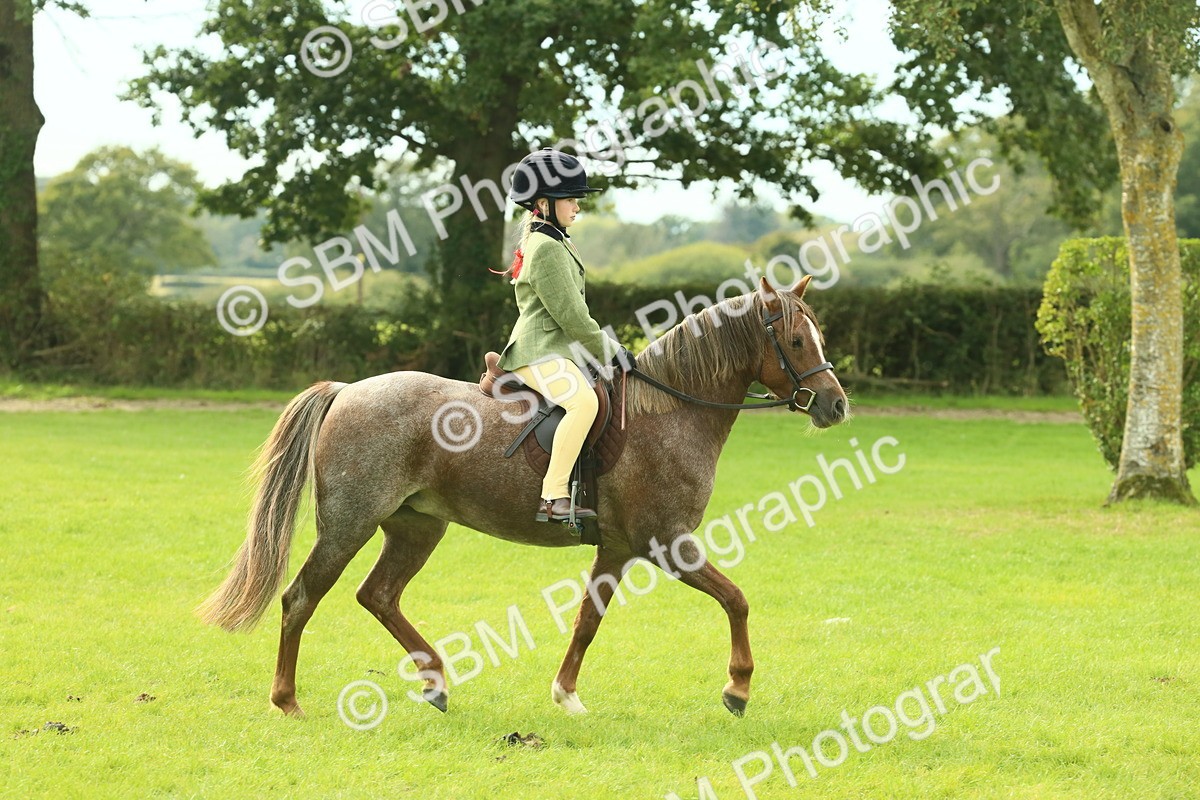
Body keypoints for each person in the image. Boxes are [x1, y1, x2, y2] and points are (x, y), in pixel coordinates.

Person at [496, 148, 631, 523]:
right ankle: (553, 496)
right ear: (543, 203)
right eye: (570, 199)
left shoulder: (554, 241)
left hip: (557, 351)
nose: (576, 207)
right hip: (538, 352)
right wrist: (611, 350)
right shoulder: (546, 248)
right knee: (583, 403)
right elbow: (572, 316)